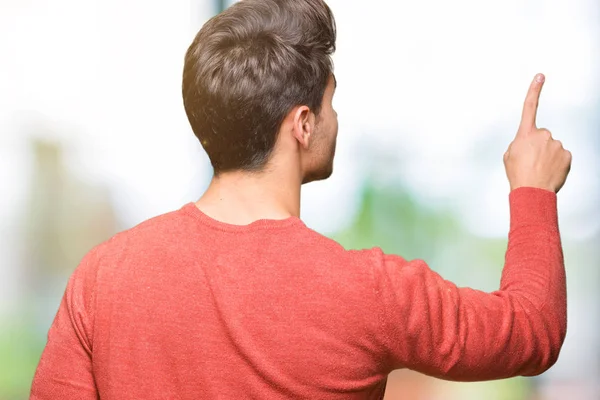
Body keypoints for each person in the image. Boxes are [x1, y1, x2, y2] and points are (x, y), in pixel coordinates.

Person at [30, 0, 572, 399]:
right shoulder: (371, 291)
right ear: (304, 124)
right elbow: (531, 333)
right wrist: (532, 189)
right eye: (332, 102)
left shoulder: (101, 277)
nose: (338, 118)